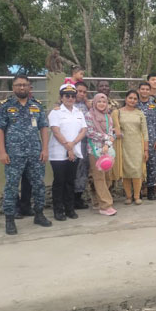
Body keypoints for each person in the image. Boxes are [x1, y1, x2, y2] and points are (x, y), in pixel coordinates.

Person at [0, 74, 52, 235]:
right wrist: (2, 151)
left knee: (39, 185)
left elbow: (43, 128)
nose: (22, 87)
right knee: (11, 187)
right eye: (18, 85)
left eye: (25, 85)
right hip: (13, 155)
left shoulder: (37, 105)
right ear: (13, 88)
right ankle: (9, 220)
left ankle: (39, 214)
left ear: (29, 87)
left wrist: (45, 149)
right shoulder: (6, 106)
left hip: (35, 153)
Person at [48, 84, 87, 221]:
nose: (70, 98)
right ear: (61, 97)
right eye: (67, 96)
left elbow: (83, 130)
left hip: (74, 152)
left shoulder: (78, 112)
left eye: (72, 96)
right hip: (58, 154)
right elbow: (55, 131)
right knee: (59, 182)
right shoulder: (56, 112)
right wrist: (68, 147)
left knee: (70, 181)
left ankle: (69, 209)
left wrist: (73, 145)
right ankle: (58, 210)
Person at [113, 90, 148, 206]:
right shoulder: (118, 112)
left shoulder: (140, 113)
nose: (132, 100)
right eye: (130, 98)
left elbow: (145, 132)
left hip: (138, 146)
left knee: (137, 171)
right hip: (124, 145)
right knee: (126, 171)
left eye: (134, 99)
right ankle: (128, 196)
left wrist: (146, 149)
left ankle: (137, 196)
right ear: (126, 98)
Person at [85, 94, 118, 213]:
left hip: (107, 151)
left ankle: (98, 201)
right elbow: (89, 133)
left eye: (104, 101)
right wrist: (106, 138)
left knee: (108, 178)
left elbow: (111, 133)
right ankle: (105, 205)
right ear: (94, 102)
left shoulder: (108, 116)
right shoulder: (89, 115)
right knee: (99, 178)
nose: (102, 103)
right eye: (99, 101)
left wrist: (107, 143)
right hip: (94, 150)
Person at [136, 82, 156, 200]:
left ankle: (151, 189)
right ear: (139, 90)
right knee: (137, 165)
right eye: (142, 89)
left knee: (152, 165)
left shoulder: (155, 104)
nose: (145, 91)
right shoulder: (133, 104)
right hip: (136, 140)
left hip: (152, 140)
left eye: (147, 89)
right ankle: (138, 191)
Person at [73, 81, 90, 209]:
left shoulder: (87, 105)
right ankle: (68, 198)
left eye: (84, 92)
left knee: (82, 170)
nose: (82, 94)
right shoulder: (65, 104)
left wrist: (89, 105)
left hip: (84, 142)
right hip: (69, 143)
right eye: (79, 91)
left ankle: (78, 198)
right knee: (71, 170)